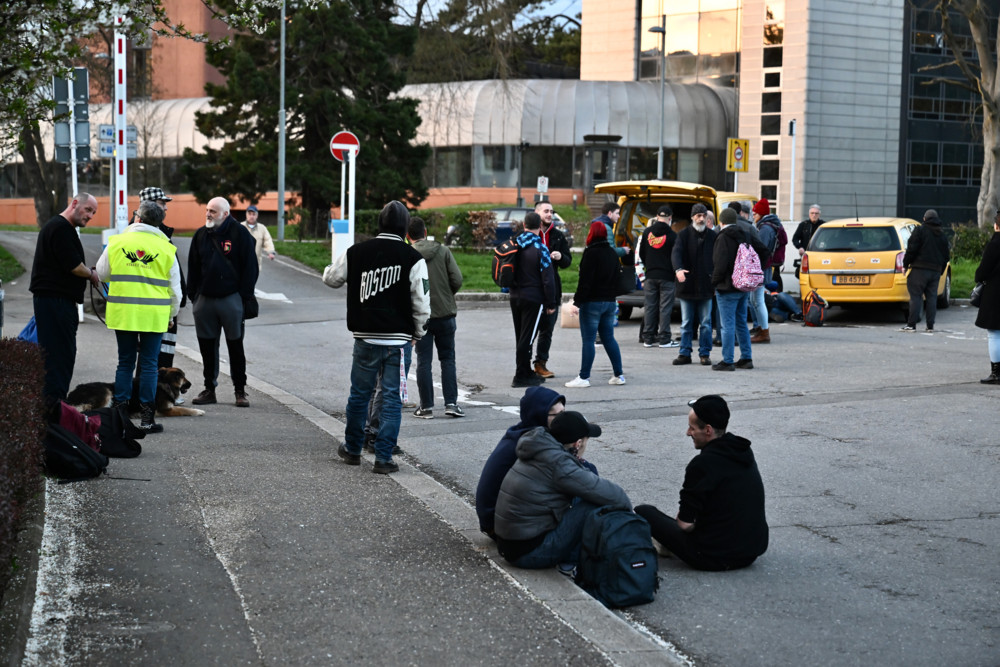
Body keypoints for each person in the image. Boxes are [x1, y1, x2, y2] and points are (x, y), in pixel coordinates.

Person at [322, 201, 430, 474]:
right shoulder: (413, 258)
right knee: (392, 399)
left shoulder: (356, 252)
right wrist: (418, 332)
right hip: (398, 340)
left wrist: (328, 268)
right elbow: (422, 302)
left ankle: (352, 449)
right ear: (406, 228)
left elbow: (332, 279)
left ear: (379, 224)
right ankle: (384, 458)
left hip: (365, 336)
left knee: (359, 395)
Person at [635, 395, 768, 571]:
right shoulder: (741, 450)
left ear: (708, 430)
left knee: (644, 512)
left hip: (711, 556)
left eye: (692, 428)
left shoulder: (703, 464)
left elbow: (685, 524)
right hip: (751, 550)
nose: (688, 433)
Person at [494, 411, 631, 569]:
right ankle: (572, 564)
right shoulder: (559, 464)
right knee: (594, 504)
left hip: (508, 546)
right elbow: (614, 496)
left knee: (585, 494)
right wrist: (629, 511)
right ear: (578, 443)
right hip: (529, 553)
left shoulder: (539, 446)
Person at [96, 200, 181, 432]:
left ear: (138, 218)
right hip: (154, 316)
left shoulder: (117, 242)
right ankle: (146, 419)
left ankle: (121, 417)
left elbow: (101, 273)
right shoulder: (166, 247)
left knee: (125, 363)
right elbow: (176, 290)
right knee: (150, 365)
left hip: (123, 313)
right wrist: (172, 315)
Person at [30, 193, 102, 412]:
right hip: (56, 301)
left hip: (56, 301)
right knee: (59, 357)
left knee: (59, 356)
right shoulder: (60, 228)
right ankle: (54, 411)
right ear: (74, 204)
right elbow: (74, 265)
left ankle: (53, 409)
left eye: (93, 212)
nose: (90, 216)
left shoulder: (62, 228)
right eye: (88, 209)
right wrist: (90, 273)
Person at [187, 197, 260, 407]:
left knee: (235, 347)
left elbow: (250, 268)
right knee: (207, 347)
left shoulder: (240, 234)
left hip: (231, 299)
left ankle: (240, 390)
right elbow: (193, 267)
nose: (208, 214)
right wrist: (195, 296)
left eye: (213, 211)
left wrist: (242, 297)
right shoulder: (201, 235)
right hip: (205, 301)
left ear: (226, 214)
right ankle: (209, 389)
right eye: (207, 210)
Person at [475, 386, 566, 538]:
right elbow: (565, 476)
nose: (563, 420)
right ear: (540, 415)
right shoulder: (533, 443)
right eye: (558, 415)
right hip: (498, 524)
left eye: (564, 413)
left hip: (495, 518)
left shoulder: (521, 433)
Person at [409, 216, 465, 418]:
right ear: (425, 232)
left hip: (420, 317)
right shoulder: (443, 251)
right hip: (445, 314)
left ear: (408, 236)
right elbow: (457, 279)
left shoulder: (407, 254)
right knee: (448, 359)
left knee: (424, 361)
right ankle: (451, 403)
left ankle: (426, 407)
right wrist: (446, 295)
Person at [564, 222, 626, 388]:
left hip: (592, 303)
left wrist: (577, 303)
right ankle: (618, 375)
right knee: (609, 338)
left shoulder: (590, 253)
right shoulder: (612, 253)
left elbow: (585, 282)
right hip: (610, 302)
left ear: (591, 234)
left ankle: (584, 377)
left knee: (589, 340)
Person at [711, 207, 770, 371]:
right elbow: (765, 252)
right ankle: (746, 358)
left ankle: (727, 360)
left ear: (721, 222)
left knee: (727, 325)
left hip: (726, 287)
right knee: (741, 323)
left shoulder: (722, 237)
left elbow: (720, 264)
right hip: (743, 286)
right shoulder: (745, 234)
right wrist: (756, 269)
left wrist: (714, 283)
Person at [137, 186, 187, 371]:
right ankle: (151, 394)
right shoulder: (140, 234)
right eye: (161, 203)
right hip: (155, 306)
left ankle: (162, 391)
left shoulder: (161, 231)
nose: (165, 208)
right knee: (150, 356)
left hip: (164, 305)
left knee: (164, 350)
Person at [509, 212, 558, 388]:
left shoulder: (514, 245)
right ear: (539, 227)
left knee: (520, 336)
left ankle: (525, 370)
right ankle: (521, 375)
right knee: (527, 338)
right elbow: (548, 279)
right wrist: (551, 303)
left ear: (523, 225)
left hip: (515, 296)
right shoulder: (540, 248)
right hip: (533, 298)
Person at [671, 204, 717, 366]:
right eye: (698, 215)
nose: (701, 218)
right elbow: (676, 253)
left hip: (706, 285)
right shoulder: (683, 235)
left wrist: (715, 279)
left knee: (706, 323)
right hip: (687, 285)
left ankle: (704, 353)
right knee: (686, 322)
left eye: (703, 215)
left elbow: (717, 259)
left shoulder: (712, 236)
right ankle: (684, 353)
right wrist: (678, 270)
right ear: (692, 217)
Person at [533, 200, 572, 379]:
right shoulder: (529, 234)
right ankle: (523, 365)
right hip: (532, 289)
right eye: (546, 211)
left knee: (547, 331)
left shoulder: (557, 235)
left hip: (552, 289)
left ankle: (541, 364)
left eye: (551, 211)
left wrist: (560, 256)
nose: (550, 214)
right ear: (537, 213)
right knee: (529, 331)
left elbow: (568, 261)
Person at [901, 209, 951, 332]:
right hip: (935, 271)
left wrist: (905, 264)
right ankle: (930, 326)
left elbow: (912, 249)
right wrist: (940, 271)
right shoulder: (942, 236)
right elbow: (946, 256)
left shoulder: (920, 231)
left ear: (924, 219)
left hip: (919, 270)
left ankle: (911, 325)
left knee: (916, 297)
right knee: (932, 298)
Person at [638, 204, 680, 349]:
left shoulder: (647, 232)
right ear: (670, 218)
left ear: (656, 217)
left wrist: (649, 266)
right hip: (667, 277)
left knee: (650, 307)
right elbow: (676, 257)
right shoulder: (673, 236)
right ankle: (664, 339)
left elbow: (641, 253)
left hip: (650, 276)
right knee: (665, 308)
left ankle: (648, 339)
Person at [750, 199, 781, 344]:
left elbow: (759, 250)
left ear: (761, 213)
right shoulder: (767, 226)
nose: (753, 214)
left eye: (755, 212)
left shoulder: (765, 229)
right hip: (762, 269)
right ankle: (761, 328)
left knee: (758, 300)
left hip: (760, 270)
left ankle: (764, 331)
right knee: (754, 300)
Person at [975, 209, 1000, 384]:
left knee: (995, 333)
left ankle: (996, 372)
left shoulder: (995, 244)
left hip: (996, 294)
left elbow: (982, 272)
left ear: (997, 225)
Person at [241, 205, 276, 269]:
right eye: (249, 214)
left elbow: (267, 240)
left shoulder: (262, 228)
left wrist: (270, 252)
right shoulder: (240, 227)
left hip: (255, 264)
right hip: (241, 264)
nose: (251, 216)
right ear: (246, 215)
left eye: (254, 214)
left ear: (257, 216)